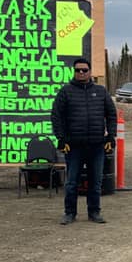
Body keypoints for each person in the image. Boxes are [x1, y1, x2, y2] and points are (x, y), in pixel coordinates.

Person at [50, 57, 117, 225]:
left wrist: (111, 136)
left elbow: (111, 114)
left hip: (97, 145)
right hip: (74, 146)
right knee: (72, 182)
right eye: (78, 70)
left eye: (84, 70)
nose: (81, 73)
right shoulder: (65, 91)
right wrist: (61, 138)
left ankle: (94, 212)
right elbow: (56, 116)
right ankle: (69, 213)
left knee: (96, 181)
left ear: (90, 72)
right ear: (74, 72)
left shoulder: (101, 91)